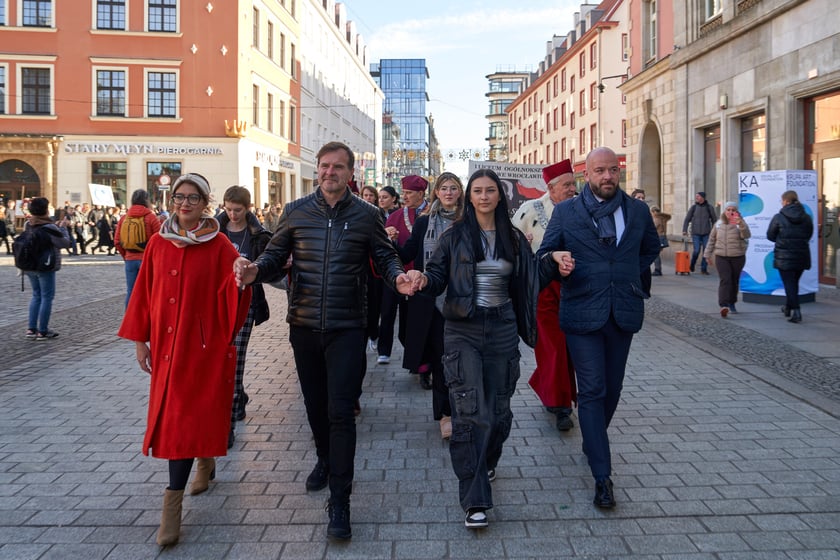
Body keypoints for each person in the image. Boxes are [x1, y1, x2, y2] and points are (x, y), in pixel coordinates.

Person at [233, 141, 415, 541]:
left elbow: (384, 258)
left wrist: (397, 275)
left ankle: (340, 499)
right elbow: (274, 255)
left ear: (350, 174)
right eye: (325, 166)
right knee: (314, 407)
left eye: (338, 167)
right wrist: (254, 271)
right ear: (318, 170)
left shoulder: (367, 215)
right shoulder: (296, 211)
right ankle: (322, 458)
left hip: (348, 326)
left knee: (339, 412)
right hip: (303, 325)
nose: (330, 172)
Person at [117, 173, 251, 547]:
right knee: (180, 417)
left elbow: (235, 292)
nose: (185, 203)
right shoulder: (159, 243)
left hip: (202, 351)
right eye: (180, 196)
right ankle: (204, 459)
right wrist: (140, 340)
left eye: (194, 198)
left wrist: (241, 277)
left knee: (187, 419)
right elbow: (144, 291)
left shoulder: (220, 243)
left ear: (206, 203)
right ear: (172, 199)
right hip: (165, 348)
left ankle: (171, 509)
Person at [412, 169, 537, 530]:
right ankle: (475, 499)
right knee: (470, 414)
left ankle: (487, 457)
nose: (484, 197)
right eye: (477, 191)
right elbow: (436, 275)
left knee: (498, 413)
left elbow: (530, 279)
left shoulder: (514, 238)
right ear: (470, 197)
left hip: (502, 329)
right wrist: (422, 279)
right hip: (462, 329)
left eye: (490, 191)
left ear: (500, 196)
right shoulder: (454, 236)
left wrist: (554, 259)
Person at [537, 147, 660, 510]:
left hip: (622, 311)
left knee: (612, 388)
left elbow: (650, 248)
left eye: (612, 170)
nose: (607, 176)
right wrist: (556, 260)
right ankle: (602, 476)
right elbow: (545, 253)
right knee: (591, 389)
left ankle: (593, 441)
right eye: (599, 171)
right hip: (580, 312)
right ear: (585, 174)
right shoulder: (566, 211)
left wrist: (624, 275)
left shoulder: (636, 212)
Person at [512, 159, 579, 432]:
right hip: (542, 288)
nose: (572, 189)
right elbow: (511, 245)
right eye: (567, 185)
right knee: (551, 346)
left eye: (574, 184)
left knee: (569, 348)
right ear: (551, 188)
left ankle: (549, 385)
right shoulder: (530, 210)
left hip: (575, 287)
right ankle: (561, 405)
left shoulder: (581, 209)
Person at [398, 172, 464, 437]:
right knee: (440, 360)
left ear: (460, 192)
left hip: (463, 300)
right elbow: (408, 254)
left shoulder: (470, 221)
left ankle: (463, 410)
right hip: (432, 302)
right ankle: (445, 414)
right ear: (436, 193)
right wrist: (388, 241)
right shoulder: (425, 223)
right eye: (443, 188)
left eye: (453, 188)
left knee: (463, 360)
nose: (448, 193)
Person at [218, 185, 272, 447]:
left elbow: (268, 265)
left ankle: (230, 410)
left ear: (247, 208)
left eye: (237, 210)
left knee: (236, 353)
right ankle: (237, 394)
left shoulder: (258, 235)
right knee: (221, 353)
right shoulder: (214, 230)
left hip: (246, 301)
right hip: (218, 302)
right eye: (228, 209)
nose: (232, 214)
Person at [378, 175, 428, 365]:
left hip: (421, 276)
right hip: (396, 273)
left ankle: (417, 356)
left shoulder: (432, 214)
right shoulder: (395, 216)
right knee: (388, 311)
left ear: (421, 193)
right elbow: (381, 243)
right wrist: (389, 238)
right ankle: (384, 350)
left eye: (409, 193)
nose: (404, 196)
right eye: (404, 192)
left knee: (411, 320)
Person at [21, 197, 72, 340]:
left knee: (36, 295)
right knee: (47, 297)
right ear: (45, 210)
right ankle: (42, 330)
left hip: (30, 265)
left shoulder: (28, 224)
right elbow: (65, 243)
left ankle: (31, 329)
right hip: (45, 266)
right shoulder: (50, 227)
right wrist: (63, 228)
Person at [767, 190, 813, 324]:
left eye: (782, 200)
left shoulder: (779, 217)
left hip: (784, 255)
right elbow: (808, 235)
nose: (781, 203)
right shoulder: (806, 217)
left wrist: (781, 240)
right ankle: (787, 307)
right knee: (793, 283)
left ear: (786, 201)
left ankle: (796, 311)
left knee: (789, 283)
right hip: (801, 254)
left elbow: (770, 235)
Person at [114, 190, 162, 307]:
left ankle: (129, 320)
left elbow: (117, 242)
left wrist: (126, 256)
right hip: (147, 261)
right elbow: (160, 242)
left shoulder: (124, 218)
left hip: (130, 259)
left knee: (131, 291)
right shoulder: (151, 217)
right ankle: (147, 319)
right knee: (149, 292)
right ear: (147, 200)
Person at [704, 201, 751, 317]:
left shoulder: (740, 222)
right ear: (724, 211)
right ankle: (723, 305)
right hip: (721, 256)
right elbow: (711, 239)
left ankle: (732, 302)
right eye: (728, 210)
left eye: (733, 210)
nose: (730, 212)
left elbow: (746, 235)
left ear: (736, 211)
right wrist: (707, 255)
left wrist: (741, 225)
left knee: (734, 280)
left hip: (737, 256)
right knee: (725, 279)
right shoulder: (718, 224)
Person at [682, 191, 717, 275]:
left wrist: (714, 231)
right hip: (696, 233)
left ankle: (703, 269)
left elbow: (714, 220)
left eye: (698, 196)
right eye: (696, 196)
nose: (696, 198)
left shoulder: (709, 207)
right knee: (696, 251)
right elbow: (687, 219)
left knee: (706, 252)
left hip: (706, 233)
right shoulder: (693, 207)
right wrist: (684, 230)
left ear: (702, 197)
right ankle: (692, 264)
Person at [651, 205, 671, 276]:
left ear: (654, 212)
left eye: (651, 212)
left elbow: (652, 228)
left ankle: (657, 270)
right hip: (662, 237)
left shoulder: (656, 218)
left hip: (658, 237)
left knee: (655, 254)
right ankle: (658, 269)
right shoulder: (663, 218)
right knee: (656, 254)